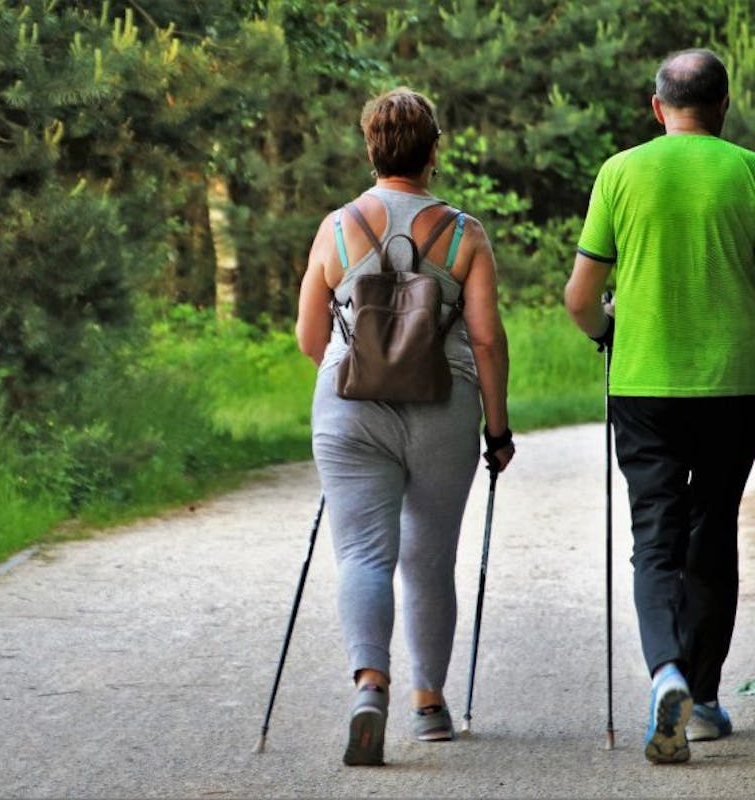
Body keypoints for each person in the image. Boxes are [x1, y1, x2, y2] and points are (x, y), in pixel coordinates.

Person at [296, 87, 514, 766]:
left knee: (363, 553)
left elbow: (308, 336)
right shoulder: (464, 233)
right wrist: (497, 430)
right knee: (427, 559)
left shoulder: (335, 228)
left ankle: (369, 687)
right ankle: (428, 705)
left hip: (349, 408)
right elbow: (485, 341)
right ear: (434, 150)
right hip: (442, 408)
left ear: (371, 148)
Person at [565, 49, 755, 764]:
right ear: (724, 106)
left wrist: (606, 331)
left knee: (655, 536)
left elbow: (580, 298)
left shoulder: (621, 172)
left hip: (642, 385)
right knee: (713, 533)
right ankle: (703, 703)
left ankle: (666, 672)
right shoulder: (747, 171)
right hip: (736, 384)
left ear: (657, 108)